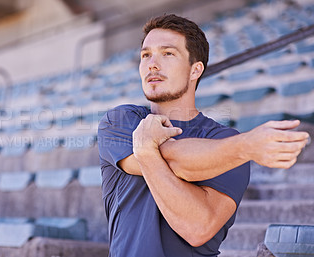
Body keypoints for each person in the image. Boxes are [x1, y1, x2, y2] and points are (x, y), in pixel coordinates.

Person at [97, 14, 309, 257]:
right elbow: (176, 158)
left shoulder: (224, 139)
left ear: (195, 70)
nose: (152, 64)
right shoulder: (120, 121)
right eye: (146, 55)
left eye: (168, 53)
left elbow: (198, 228)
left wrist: (146, 150)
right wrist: (244, 147)